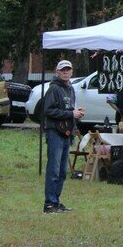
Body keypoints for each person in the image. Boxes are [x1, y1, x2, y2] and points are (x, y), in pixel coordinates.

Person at [43, 60, 85, 213]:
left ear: (72, 72)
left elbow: (67, 108)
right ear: (57, 72)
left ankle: (56, 201)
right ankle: (49, 203)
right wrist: (70, 114)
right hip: (54, 132)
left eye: (68, 69)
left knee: (62, 171)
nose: (66, 72)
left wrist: (76, 113)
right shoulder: (54, 89)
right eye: (63, 70)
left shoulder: (70, 89)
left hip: (66, 132)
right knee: (53, 169)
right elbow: (48, 111)